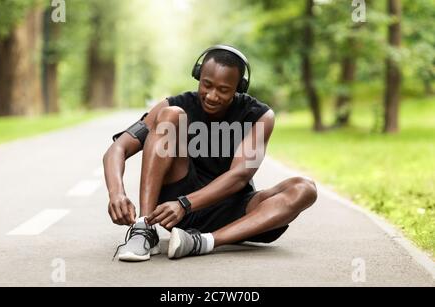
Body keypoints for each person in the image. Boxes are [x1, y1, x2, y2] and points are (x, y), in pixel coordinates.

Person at [103, 45, 317, 262]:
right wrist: (116, 193)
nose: (212, 96)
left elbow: (239, 176)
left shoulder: (259, 116)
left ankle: (203, 242)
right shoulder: (175, 105)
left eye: (224, 90)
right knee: (171, 115)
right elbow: (117, 149)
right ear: (198, 76)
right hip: (176, 203)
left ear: (239, 87)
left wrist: (186, 203)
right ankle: (144, 229)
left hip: (231, 209)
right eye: (206, 85)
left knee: (305, 188)